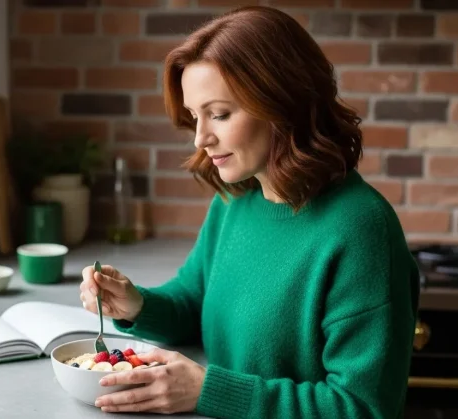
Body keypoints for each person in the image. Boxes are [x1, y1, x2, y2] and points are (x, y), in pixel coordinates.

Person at [78, 5, 420, 419]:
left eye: (219, 114)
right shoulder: (235, 201)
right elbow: (192, 302)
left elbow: (363, 407)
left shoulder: (361, 229)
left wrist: (209, 391)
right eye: (194, 116)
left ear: (282, 103)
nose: (200, 138)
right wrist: (135, 305)